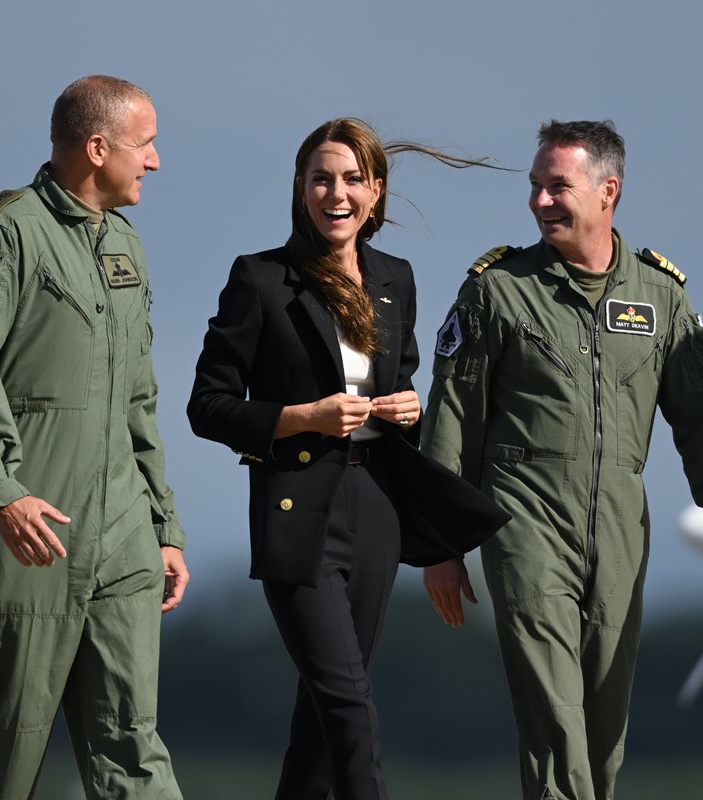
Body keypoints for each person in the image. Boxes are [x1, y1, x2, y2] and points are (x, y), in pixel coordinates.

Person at [421, 119, 703, 800]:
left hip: (620, 529)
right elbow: (452, 416)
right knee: (554, 711)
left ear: (609, 192)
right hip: (523, 521)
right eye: (535, 187)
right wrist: (438, 541)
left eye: (557, 186)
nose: (540, 201)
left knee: (603, 725)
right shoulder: (498, 292)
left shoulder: (660, 297)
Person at [187, 118, 508, 800]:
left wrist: (407, 407)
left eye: (352, 179)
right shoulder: (261, 278)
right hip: (296, 513)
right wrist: (306, 417)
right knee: (349, 707)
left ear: (376, 192)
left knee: (321, 720)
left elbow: (402, 380)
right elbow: (207, 406)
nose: (336, 192)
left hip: (379, 512)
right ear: (300, 190)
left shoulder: (397, 278)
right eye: (321, 179)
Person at [0, 75, 187, 800]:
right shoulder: (3, 232)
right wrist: (5, 494)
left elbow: (140, 398)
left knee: (132, 741)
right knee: (5, 734)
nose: (157, 161)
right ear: (98, 147)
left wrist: (163, 527)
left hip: (125, 534)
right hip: (31, 531)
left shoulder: (126, 245)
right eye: (147, 145)